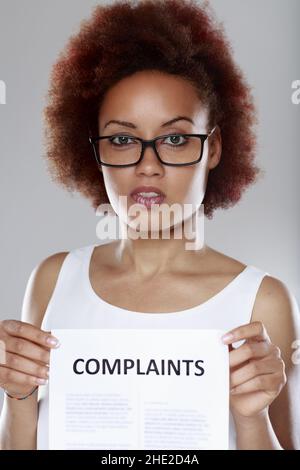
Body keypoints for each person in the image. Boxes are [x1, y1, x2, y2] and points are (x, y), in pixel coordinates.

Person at [0, 0, 299, 450]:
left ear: (214, 147)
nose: (148, 165)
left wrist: (253, 420)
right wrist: (19, 397)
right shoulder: (52, 279)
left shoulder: (263, 301)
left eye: (175, 138)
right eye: (123, 139)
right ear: (93, 150)